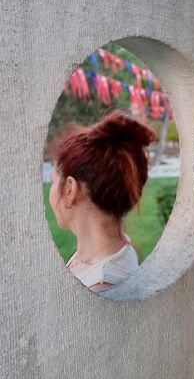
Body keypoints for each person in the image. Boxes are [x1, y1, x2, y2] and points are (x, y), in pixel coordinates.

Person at [49, 111, 157, 293]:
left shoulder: (99, 287)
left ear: (69, 190)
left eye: (53, 181)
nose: (51, 191)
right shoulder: (118, 250)